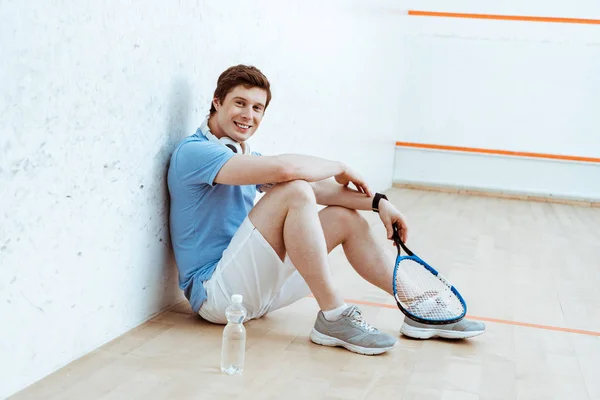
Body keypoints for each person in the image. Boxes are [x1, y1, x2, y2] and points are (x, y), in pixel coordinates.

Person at [167, 65, 485, 355]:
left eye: (257, 107)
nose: (248, 114)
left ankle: (419, 309)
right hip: (216, 296)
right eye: (240, 103)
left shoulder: (243, 156)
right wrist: (339, 166)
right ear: (217, 102)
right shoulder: (196, 153)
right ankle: (334, 315)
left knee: (343, 217)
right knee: (294, 189)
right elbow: (287, 172)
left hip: (254, 293)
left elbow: (321, 189)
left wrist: (379, 203)